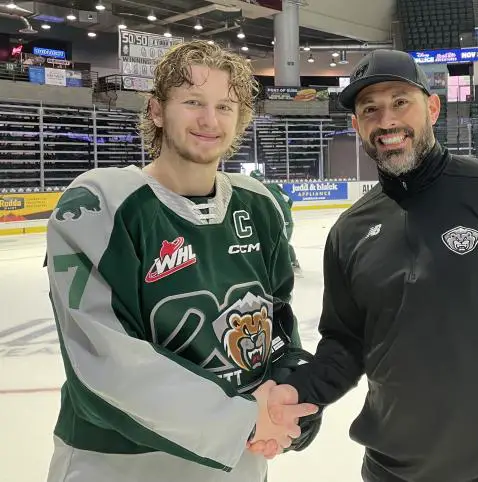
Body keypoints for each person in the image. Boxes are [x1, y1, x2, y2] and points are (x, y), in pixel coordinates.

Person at [251, 49, 478, 482]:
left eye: (400, 101)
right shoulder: (349, 231)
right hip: (391, 471)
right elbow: (343, 346)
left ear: (433, 107)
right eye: (370, 110)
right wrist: (295, 391)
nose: (386, 121)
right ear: (356, 125)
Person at [44, 40, 319, 482]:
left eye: (225, 106)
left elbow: (278, 323)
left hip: (240, 456)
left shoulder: (258, 205)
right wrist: (243, 420)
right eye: (193, 102)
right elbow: (103, 360)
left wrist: (291, 392)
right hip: (118, 463)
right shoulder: (102, 203)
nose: (210, 120)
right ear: (156, 111)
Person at [250, 169, 301, 273]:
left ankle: (287, 264)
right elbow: (290, 201)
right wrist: (285, 214)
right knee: (282, 242)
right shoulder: (274, 186)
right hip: (287, 221)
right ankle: (291, 262)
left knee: (277, 243)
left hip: (276, 222)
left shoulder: (255, 192)